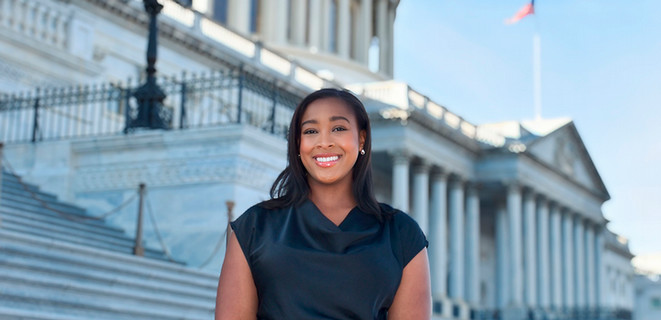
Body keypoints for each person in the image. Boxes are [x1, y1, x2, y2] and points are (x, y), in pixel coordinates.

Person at [215, 88, 431, 319]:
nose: (324, 142)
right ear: (298, 143)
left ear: (361, 139)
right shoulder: (254, 227)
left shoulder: (401, 234)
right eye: (311, 131)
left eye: (338, 128)